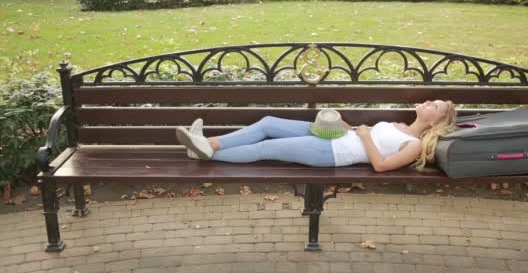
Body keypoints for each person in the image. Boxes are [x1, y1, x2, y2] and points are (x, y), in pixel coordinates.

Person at [175, 100, 457, 173]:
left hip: (331, 153)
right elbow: (362, 134)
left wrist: (364, 136)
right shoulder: (398, 125)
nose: (429, 102)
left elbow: (381, 165)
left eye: (436, 106)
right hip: (333, 135)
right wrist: (344, 124)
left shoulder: (414, 144)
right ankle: (207, 145)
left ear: (437, 121)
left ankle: (205, 150)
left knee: (266, 147)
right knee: (268, 123)